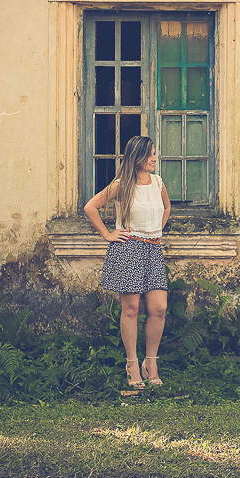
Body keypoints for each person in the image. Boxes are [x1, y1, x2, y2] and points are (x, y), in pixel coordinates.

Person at [84, 136, 171, 389]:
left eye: (155, 153)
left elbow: (167, 208)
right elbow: (91, 206)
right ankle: (132, 364)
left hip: (153, 249)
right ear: (138, 158)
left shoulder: (158, 183)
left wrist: (156, 229)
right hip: (128, 248)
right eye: (151, 154)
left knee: (159, 309)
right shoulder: (122, 185)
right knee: (131, 309)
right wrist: (108, 234)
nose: (155, 158)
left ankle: (150, 363)